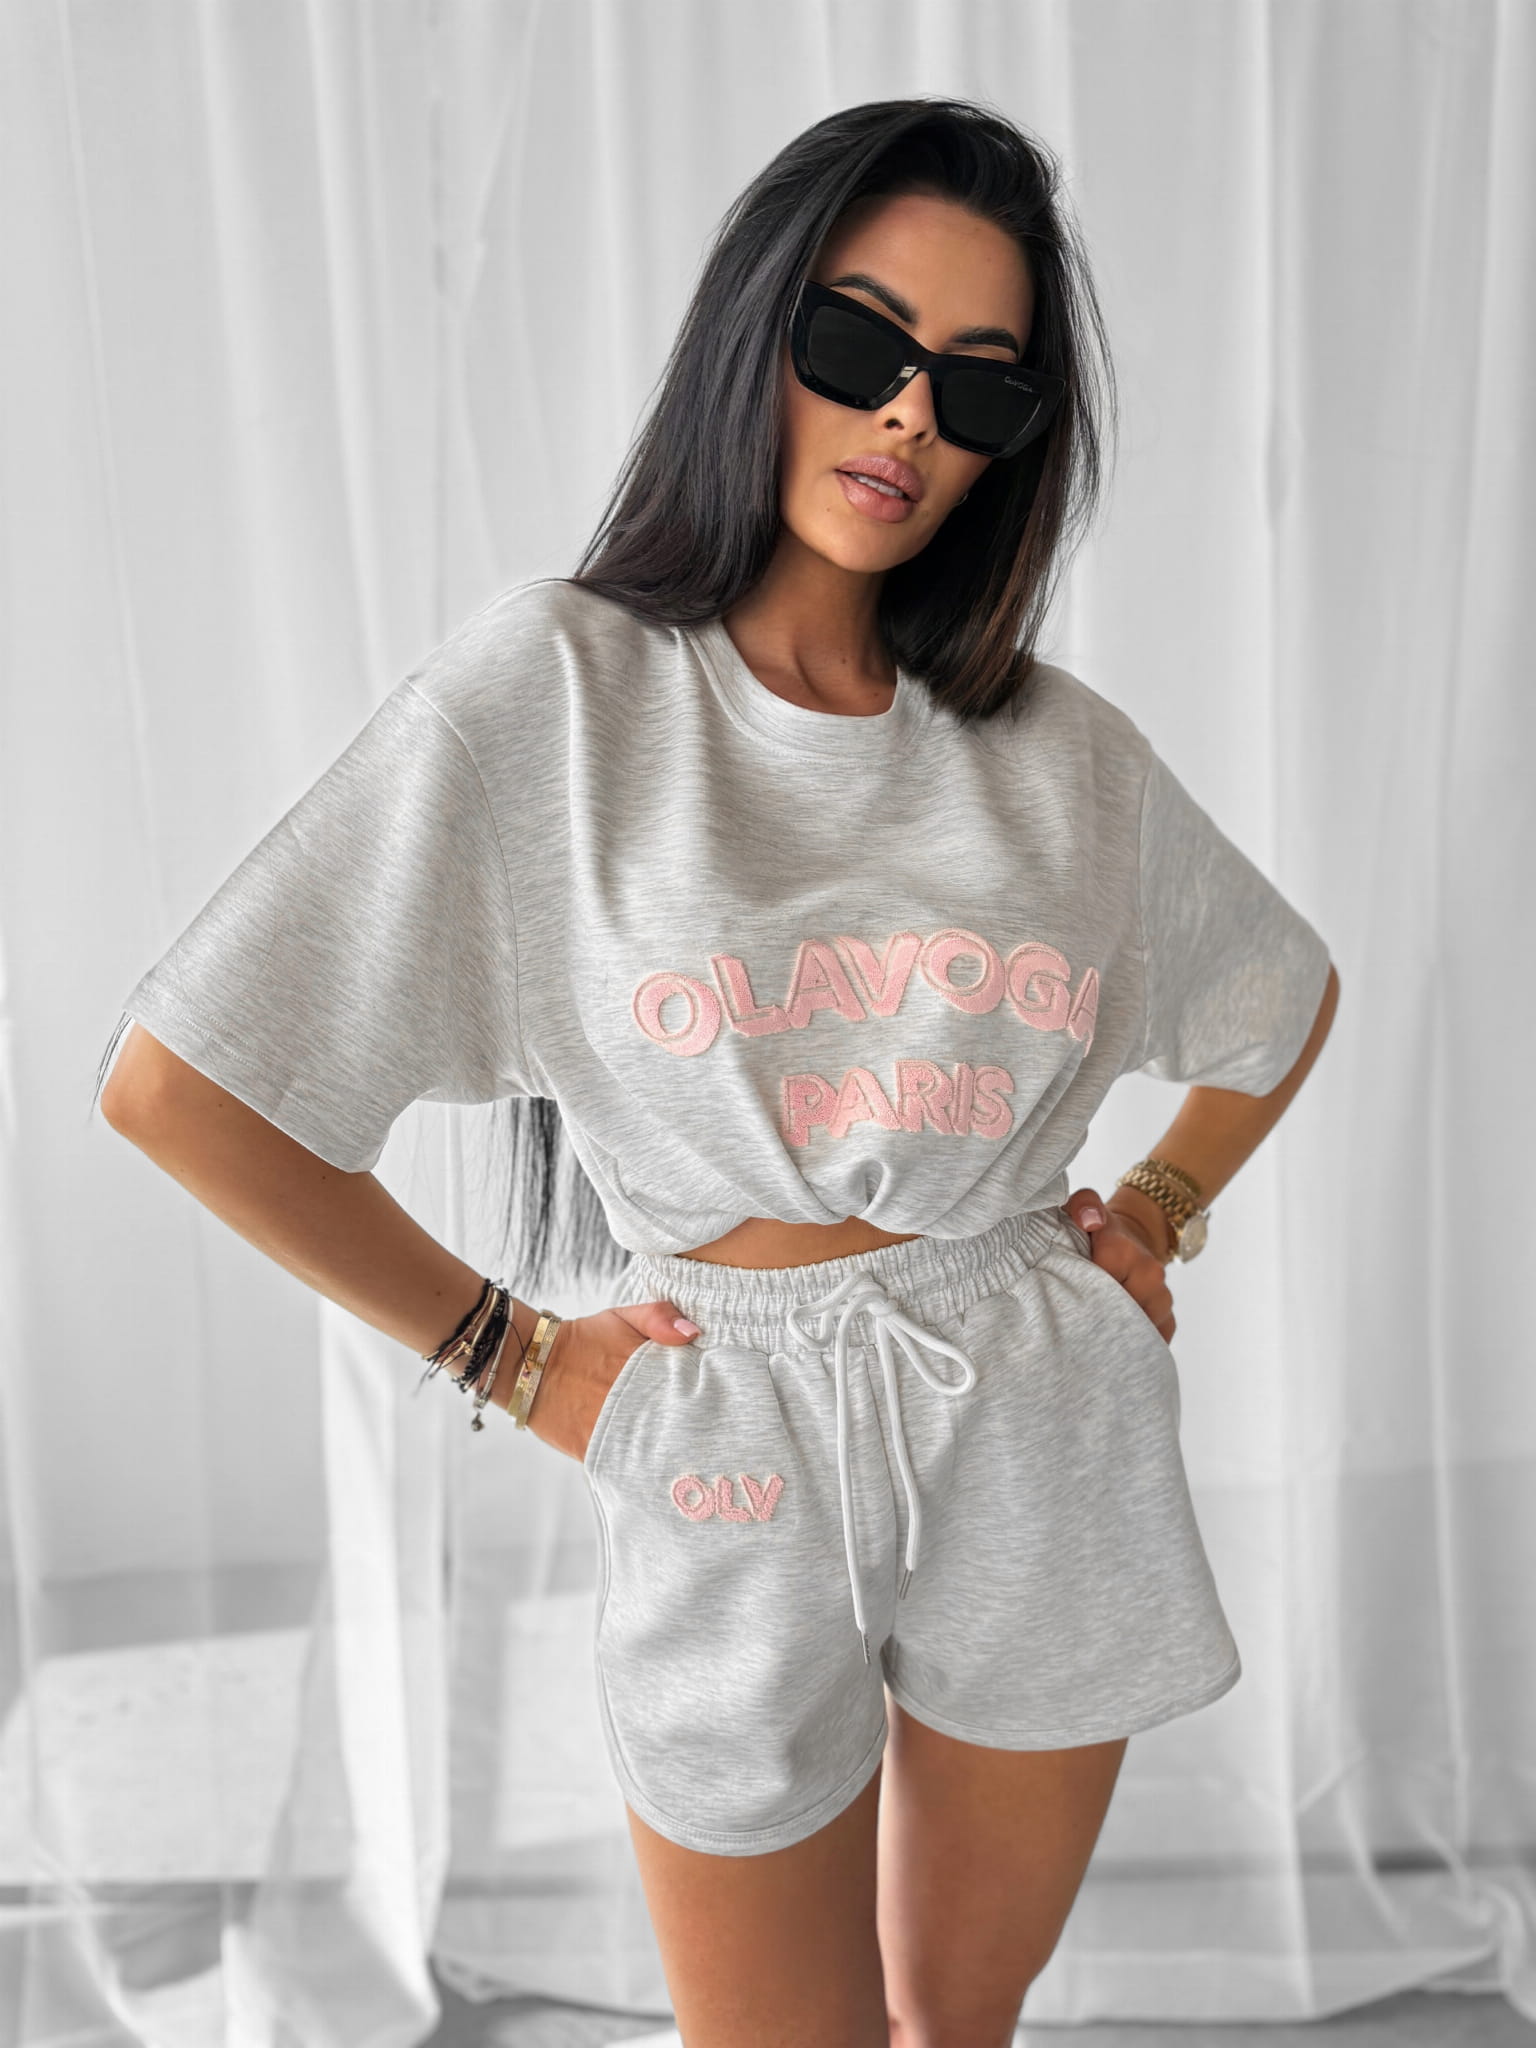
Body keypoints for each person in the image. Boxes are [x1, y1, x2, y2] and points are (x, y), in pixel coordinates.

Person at [95, 97, 1339, 2048]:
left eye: (981, 386)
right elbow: (186, 1084)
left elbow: (1280, 995)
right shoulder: (558, 693)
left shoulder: (1058, 752)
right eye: (860, 343)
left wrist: (1161, 1207)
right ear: (755, 330)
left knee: (963, 2022)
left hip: (1038, 1408)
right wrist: (509, 1351)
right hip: (727, 1427)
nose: (911, 415)